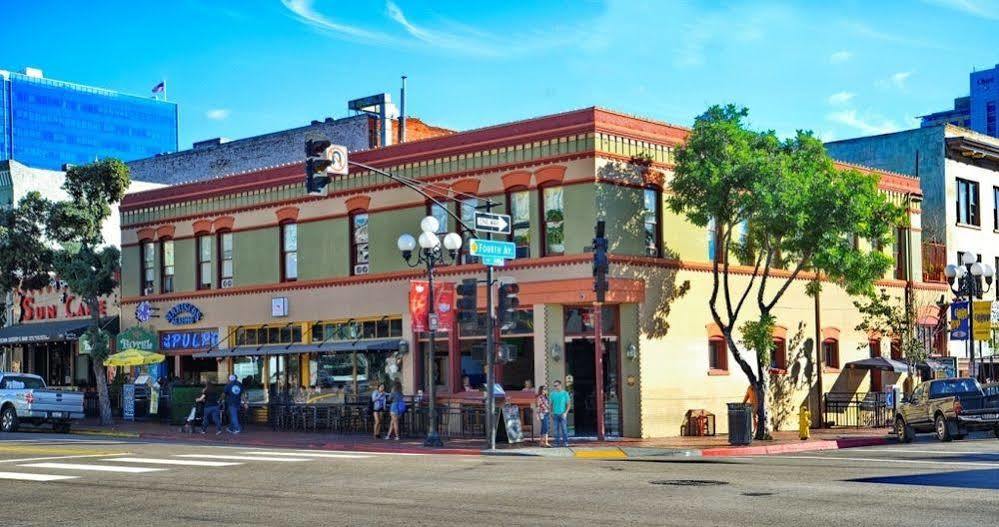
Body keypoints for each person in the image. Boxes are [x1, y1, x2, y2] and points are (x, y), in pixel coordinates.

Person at [549, 380, 571, 447]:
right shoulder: (552, 394)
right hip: (555, 414)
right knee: (556, 430)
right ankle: (556, 443)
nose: (555, 387)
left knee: (564, 429)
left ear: (560, 385)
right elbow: (550, 404)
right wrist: (551, 412)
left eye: (556, 385)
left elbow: (569, 404)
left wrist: (565, 413)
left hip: (562, 414)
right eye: (554, 386)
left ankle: (565, 442)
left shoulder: (565, 393)